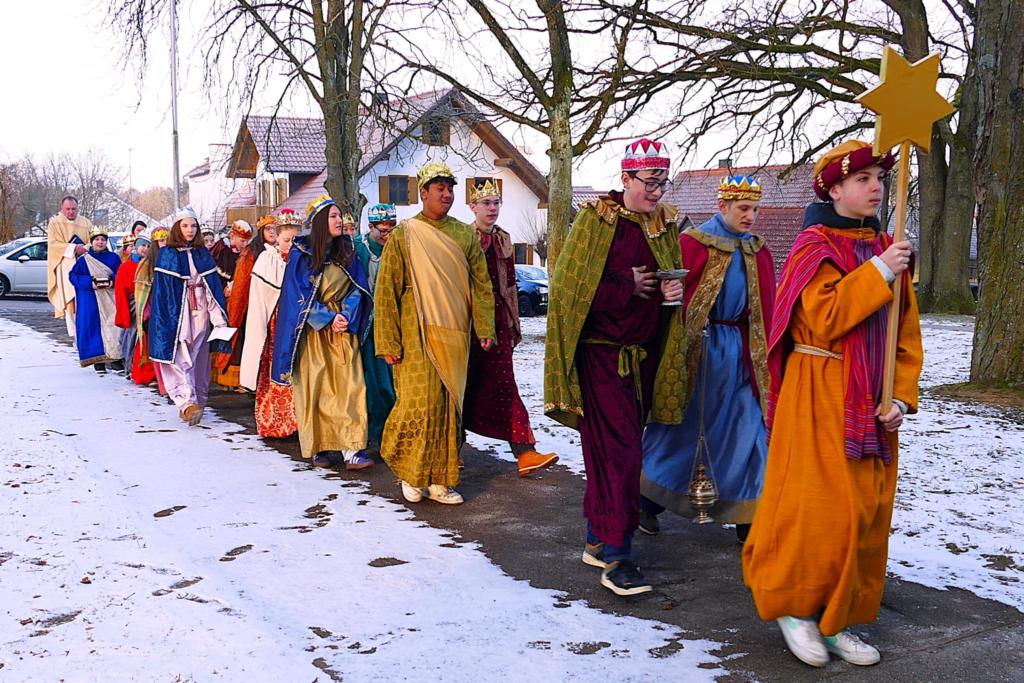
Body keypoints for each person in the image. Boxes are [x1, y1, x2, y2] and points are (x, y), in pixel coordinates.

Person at [742, 140, 923, 668]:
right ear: (835, 189)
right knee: (818, 506)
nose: (876, 187)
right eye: (862, 179)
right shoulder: (813, 247)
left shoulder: (887, 246)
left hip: (872, 399)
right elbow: (823, 319)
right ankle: (795, 607)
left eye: (879, 178)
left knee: (865, 510)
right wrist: (880, 271)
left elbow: (905, 333)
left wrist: (901, 397)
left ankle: (836, 617)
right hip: (818, 388)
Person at [544, 139, 686, 596]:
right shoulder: (596, 221)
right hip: (602, 357)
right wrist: (626, 283)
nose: (656, 192)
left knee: (613, 453)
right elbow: (569, 290)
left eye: (662, 183)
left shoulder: (663, 226)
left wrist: (669, 297)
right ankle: (618, 555)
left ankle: (596, 538)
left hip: (643, 360)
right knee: (620, 454)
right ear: (625, 178)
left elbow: (665, 286)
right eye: (649, 183)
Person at [640, 176, 776, 541]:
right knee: (686, 432)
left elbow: (768, 308)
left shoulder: (758, 251)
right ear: (723, 206)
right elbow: (671, 301)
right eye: (743, 208)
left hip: (744, 357)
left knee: (749, 432)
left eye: (755, 209)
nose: (750, 216)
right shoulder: (693, 244)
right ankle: (647, 499)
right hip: (700, 355)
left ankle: (749, 516)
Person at [374, 161, 496, 505]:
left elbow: (481, 284)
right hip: (414, 330)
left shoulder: (464, 235)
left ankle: (442, 480)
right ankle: (411, 473)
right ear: (423, 192)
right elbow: (386, 291)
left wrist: (485, 326)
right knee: (418, 403)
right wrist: (387, 340)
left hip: (454, 330)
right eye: (439, 188)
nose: (447, 194)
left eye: (450, 189)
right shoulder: (405, 234)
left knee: (447, 406)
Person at [463, 180, 558, 476]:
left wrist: (513, 324)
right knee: (462, 385)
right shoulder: (463, 238)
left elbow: (510, 286)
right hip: (468, 325)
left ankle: (525, 451)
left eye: (496, 203)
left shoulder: (503, 239)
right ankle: (451, 449)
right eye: (486, 203)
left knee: (506, 384)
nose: (492, 208)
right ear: (473, 207)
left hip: (499, 324)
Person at [272, 196, 373, 469]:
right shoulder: (301, 254)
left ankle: (352, 450)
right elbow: (295, 298)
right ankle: (320, 447)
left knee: (350, 388)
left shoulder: (347, 251)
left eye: (339, 216)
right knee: (316, 389)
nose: (339, 221)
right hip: (313, 333)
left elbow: (359, 288)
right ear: (319, 222)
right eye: (333, 216)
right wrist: (327, 318)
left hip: (343, 330)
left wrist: (345, 315)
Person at [149, 208, 231, 426]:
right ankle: (186, 401)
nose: (190, 230)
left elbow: (211, 288)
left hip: (200, 310)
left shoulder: (202, 254)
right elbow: (163, 293)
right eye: (185, 226)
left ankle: (197, 401)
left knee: (199, 357)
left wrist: (218, 320)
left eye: (193, 226)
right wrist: (167, 320)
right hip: (178, 313)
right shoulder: (167, 255)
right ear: (177, 228)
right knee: (180, 355)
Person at [240, 209, 300, 438]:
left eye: (295, 239)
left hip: (299, 323)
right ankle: (276, 421)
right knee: (276, 368)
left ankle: (300, 421)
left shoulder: (304, 258)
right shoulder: (267, 260)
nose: (291, 245)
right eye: (287, 240)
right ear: (278, 237)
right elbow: (259, 298)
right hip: (276, 324)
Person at [216, 215, 276, 391]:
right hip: (252, 303)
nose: (272, 232)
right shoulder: (252, 252)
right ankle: (245, 380)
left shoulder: (280, 249)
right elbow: (242, 280)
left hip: (273, 302)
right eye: (268, 229)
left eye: (275, 229)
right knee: (247, 340)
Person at [354, 203, 397, 446]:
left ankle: (386, 434)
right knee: (367, 381)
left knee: (388, 382)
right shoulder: (357, 248)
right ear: (370, 227)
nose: (387, 234)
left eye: (391, 228)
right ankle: (370, 432)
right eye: (382, 229)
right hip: (362, 324)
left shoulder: (398, 247)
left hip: (388, 324)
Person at [68, 226, 125, 373]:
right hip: (91, 299)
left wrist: (112, 280)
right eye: (97, 240)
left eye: (103, 240)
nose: (100, 242)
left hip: (110, 298)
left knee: (113, 327)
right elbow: (73, 276)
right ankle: (98, 361)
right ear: (92, 242)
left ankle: (115, 359)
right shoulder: (84, 260)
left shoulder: (113, 258)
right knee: (92, 327)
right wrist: (89, 282)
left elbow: (121, 274)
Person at [114, 230, 157, 386]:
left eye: (148, 246)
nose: (145, 249)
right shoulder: (126, 267)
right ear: (136, 247)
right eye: (142, 245)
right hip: (134, 308)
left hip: (151, 307)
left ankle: (150, 373)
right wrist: (124, 313)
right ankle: (132, 368)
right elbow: (121, 291)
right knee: (131, 338)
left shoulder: (154, 265)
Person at [46, 195, 93, 334]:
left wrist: (85, 248)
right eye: (68, 209)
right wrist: (73, 248)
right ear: (62, 208)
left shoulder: (86, 222)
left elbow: (94, 240)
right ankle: (73, 333)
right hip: (65, 266)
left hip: (84, 264)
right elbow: (53, 244)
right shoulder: (55, 223)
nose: (71, 212)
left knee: (84, 300)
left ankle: (84, 331)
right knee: (70, 299)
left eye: (74, 209)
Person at [135, 226, 170, 397]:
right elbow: (142, 294)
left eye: (167, 240)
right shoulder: (147, 264)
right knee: (159, 349)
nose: (165, 244)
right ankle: (164, 386)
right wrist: (146, 315)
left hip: (172, 310)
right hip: (155, 313)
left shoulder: (174, 258)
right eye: (161, 241)